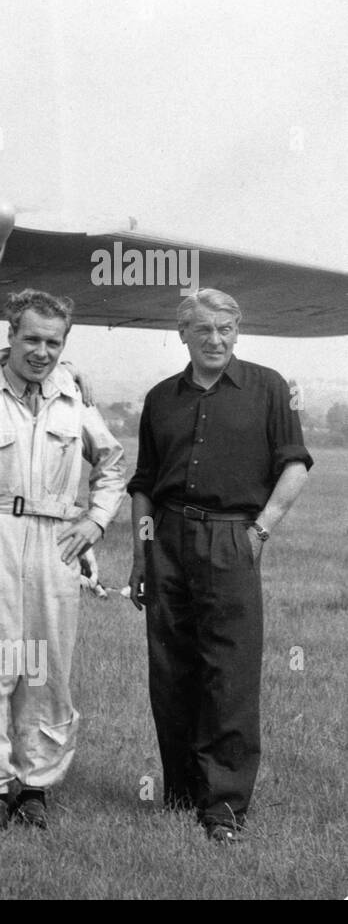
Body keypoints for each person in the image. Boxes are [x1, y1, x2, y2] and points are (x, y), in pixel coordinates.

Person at [127, 289, 310, 843]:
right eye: (204, 329)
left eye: (227, 329)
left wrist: (260, 531)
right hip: (168, 539)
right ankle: (183, 794)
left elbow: (296, 465)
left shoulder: (269, 388)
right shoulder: (161, 398)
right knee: (172, 671)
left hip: (234, 537)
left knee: (229, 674)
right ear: (183, 333)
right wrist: (141, 550)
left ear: (238, 331)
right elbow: (142, 485)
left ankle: (224, 807)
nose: (216, 339)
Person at [0, 289, 125, 830]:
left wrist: (94, 521)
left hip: (54, 544)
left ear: (64, 345)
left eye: (54, 342)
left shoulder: (73, 399)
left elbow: (112, 465)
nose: (41, 351)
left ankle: (36, 786)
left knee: (46, 671)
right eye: (32, 339)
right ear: (10, 335)